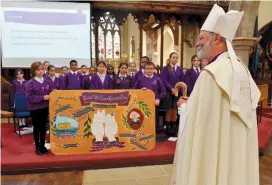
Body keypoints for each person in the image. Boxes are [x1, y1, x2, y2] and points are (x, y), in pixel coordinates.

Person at [170, 4, 261, 185]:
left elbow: (202, 121)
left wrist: (186, 106)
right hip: (236, 151)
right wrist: (194, 101)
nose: (197, 43)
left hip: (215, 150)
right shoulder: (242, 69)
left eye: (201, 38)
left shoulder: (211, 73)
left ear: (217, 38)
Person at [26, 62, 50, 155]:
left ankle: (43, 145)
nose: (41, 71)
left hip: (44, 108)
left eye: (42, 69)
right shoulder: (30, 83)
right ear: (34, 71)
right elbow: (29, 97)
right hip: (35, 109)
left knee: (44, 127)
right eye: (38, 70)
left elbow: (50, 92)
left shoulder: (46, 80)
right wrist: (42, 98)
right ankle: (37, 147)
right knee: (37, 128)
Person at [134, 62, 166, 132]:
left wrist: (158, 99)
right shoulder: (140, 79)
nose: (149, 70)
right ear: (144, 70)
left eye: (151, 68)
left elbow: (163, 91)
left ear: (153, 69)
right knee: (143, 120)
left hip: (154, 104)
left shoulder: (157, 79)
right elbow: (134, 91)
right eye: (147, 68)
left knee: (153, 121)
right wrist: (140, 91)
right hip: (142, 105)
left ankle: (153, 134)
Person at [160, 52, 184, 136]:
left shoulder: (180, 69)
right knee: (169, 110)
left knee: (175, 110)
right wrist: (171, 89)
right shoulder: (165, 68)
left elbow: (182, 81)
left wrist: (177, 89)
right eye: (173, 57)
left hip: (177, 92)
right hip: (168, 92)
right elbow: (163, 80)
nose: (175, 59)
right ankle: (168, 128)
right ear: (170, 58)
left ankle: (173, 128)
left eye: (176, 57)